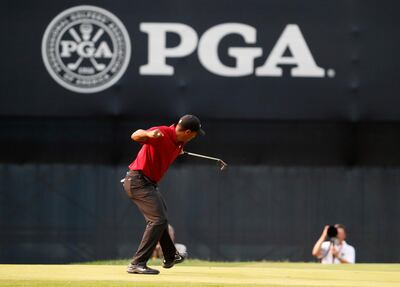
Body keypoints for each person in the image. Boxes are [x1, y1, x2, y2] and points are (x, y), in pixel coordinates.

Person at [122, 115, 205, 275]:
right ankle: (137, 263)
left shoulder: (179, 142)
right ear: (188, 132)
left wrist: (176, 150)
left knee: (161, 220)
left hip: (147, 184)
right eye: (195, 134)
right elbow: (135, 135)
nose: (194, 137)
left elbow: (172, 147)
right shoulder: (161, 133)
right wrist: (148, 135)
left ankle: (170, 255)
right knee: (157, 220)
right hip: (138, 181)